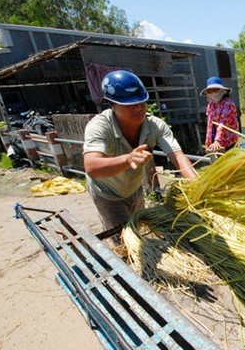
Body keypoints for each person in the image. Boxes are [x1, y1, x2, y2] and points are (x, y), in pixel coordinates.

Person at [83, 70, 197, 234]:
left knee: (137, 229)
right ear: (112, 105)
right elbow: (92, 167)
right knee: (122, 240)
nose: (138, 108)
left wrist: (196, 183)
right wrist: (127, 159)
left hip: (134, 188)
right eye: (130, 105)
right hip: (107, 194)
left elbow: (177, 155)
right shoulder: (99, 127)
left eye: (141, 103)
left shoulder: (155, 125)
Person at [201, 76, 239, 153]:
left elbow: (223, 123)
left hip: (228, 141)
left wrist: (218, 141)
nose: (213, 93)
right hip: (214, 142)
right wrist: (208, 142)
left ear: (222, 91)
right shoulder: (211, 105)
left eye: (215, 90)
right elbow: (210, 125)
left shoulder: (228, 104)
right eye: (210, 91)